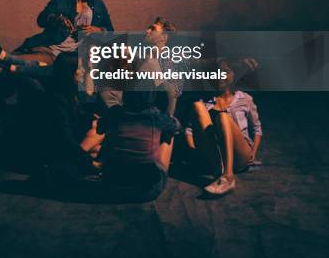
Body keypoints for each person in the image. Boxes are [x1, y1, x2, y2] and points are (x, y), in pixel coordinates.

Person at [0, 0, 113, 134]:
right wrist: (56, 19)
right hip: (50, 49)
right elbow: (42, 19)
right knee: (32, 62)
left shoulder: (99, 6)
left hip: (72, 57)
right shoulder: (61, 0)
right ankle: (1, 65)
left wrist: (98, 30)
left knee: (12, 70)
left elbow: (110, 31)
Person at [185, 59, 262, 196]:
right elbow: (189, 130)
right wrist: (192, 150)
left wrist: (253, 152)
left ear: (233, 76)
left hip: (240, 155)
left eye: (226, 72)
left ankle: (228, 176)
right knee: (197, 105)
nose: (220, 75)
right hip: (216, 155)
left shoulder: (244, 99)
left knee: (223, 117)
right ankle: (218, 173)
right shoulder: (206, 102)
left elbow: (256, 129)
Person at [96, 84, 182, 202]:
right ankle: (158, 167)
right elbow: (177, 127)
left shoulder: (114, 112)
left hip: (111, 186)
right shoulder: (156, 116)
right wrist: (169, 119)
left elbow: (99, 130)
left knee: (112, 133)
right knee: (169, 135)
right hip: (145, 191)